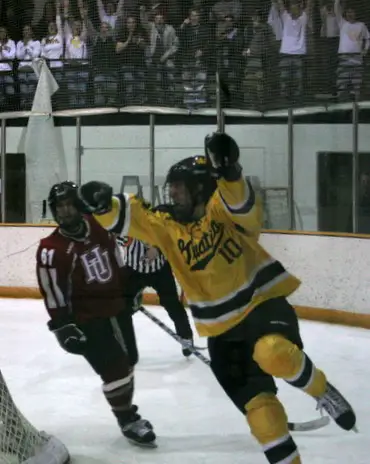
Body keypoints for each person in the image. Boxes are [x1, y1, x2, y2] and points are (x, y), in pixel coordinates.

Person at [79, 133, 356, 464]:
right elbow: (125, 214)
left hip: (260, 306)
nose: (173, 191)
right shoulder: (164, 224)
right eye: (172, 186)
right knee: (262, 416)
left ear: (201, 187)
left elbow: (240, 202)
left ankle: (322, 390)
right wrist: (102, 205)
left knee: (272, 352)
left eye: (180, 185)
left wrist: (229, 170)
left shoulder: (222, 210)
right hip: (221, 333)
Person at [35, 181, 156, 448]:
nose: (64, 212)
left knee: (129, 361)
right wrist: (62, 325)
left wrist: (128, 289)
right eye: (59, 207)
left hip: (116, 309)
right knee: (114, 369)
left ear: (79, 206)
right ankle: (128, 419)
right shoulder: (51, 248)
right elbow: (52, 289)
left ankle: (126, 409)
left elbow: (117, 257)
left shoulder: (100, 225)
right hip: (87, 318)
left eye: (69, 205)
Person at [118, 221, 193, 358]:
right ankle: (126, 345)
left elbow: (171, 237)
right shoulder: (127, 221)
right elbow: (117, 238)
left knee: (172, 304)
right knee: (122, 309)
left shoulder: (157, 218)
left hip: (160, 270)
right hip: (134, 271)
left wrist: (157, 248)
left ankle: (186, 336)